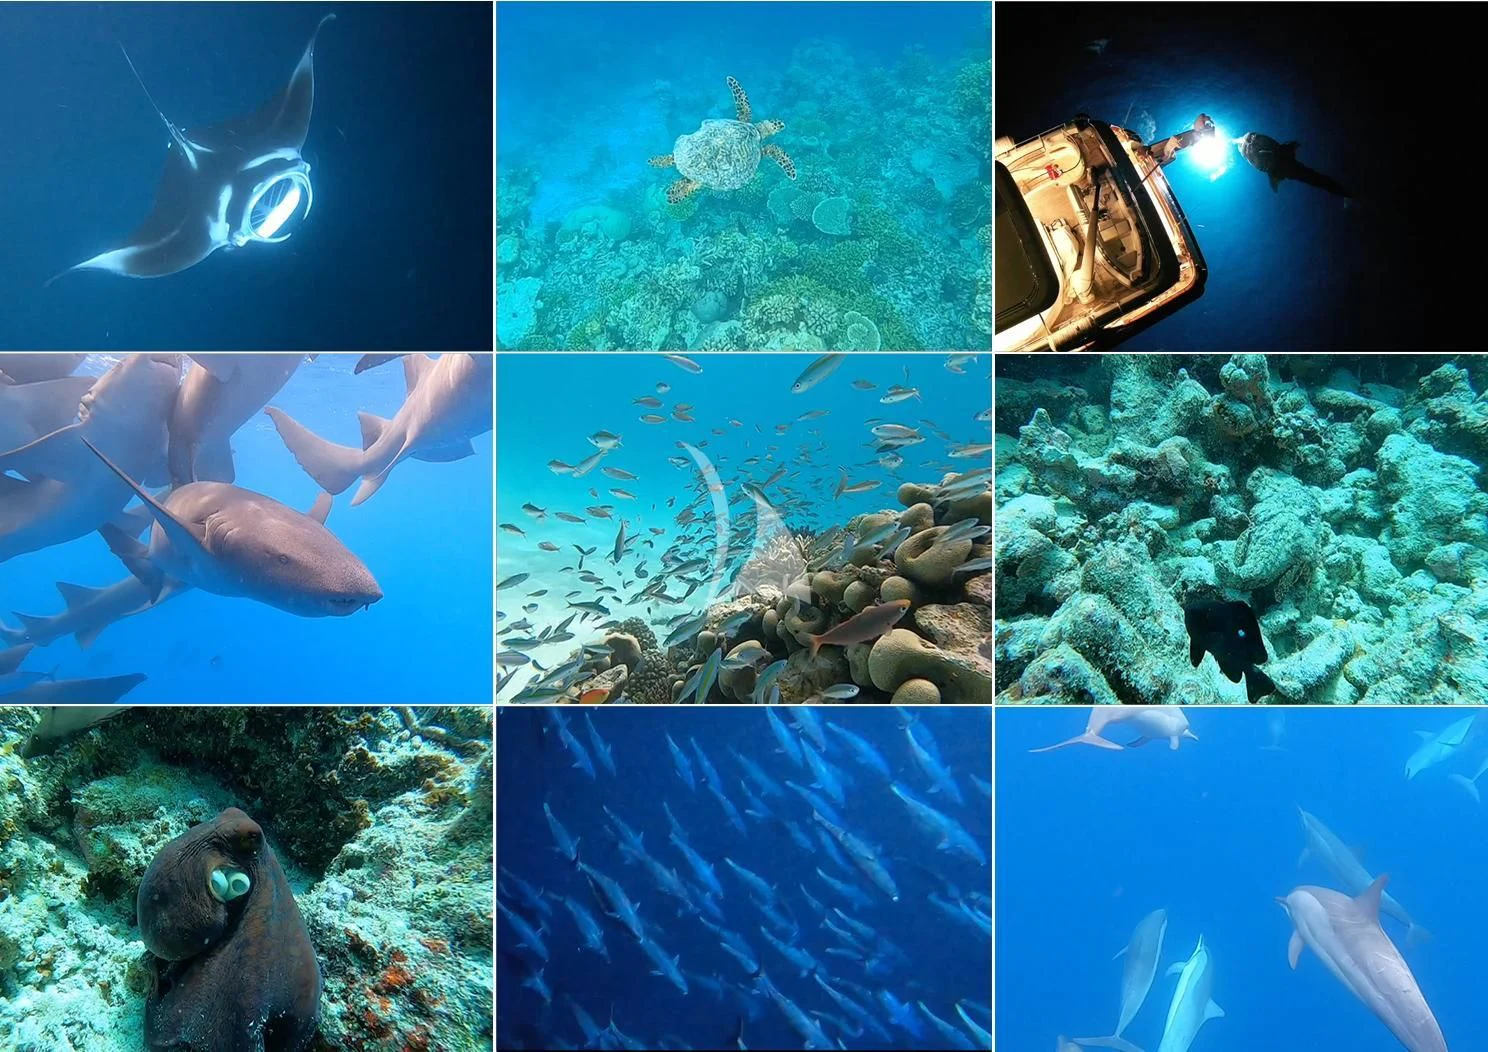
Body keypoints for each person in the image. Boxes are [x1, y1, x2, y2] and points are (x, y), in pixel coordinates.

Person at [1148, 113, 1216, 166]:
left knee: (1171, 156)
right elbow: (1201, 117)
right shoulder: (1197, 131)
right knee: (1169, 153)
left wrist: (1207, 122)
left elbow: (1201, 120)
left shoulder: (1198, 136)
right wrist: (1206, 119)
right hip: (1174, 143)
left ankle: (1159, 160)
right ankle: (1159, 158)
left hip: (1175, 145)